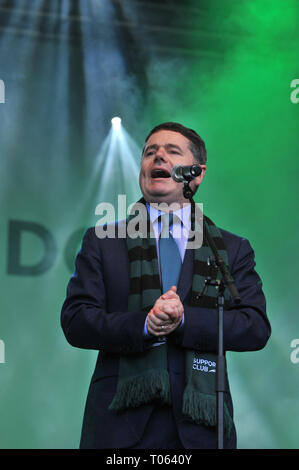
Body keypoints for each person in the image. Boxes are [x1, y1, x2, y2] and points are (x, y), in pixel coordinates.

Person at [60, 122, 271, 449]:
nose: (157, 156)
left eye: (172, 152)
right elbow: (76, 321)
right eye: (149, 152)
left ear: (196, 174)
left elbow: (254, 327)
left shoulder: (230, 248)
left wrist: (183, 320)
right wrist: (145, 324)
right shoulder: (103, 241)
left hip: (202, 430)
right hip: (119, 428)